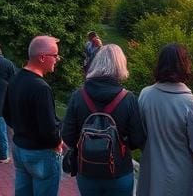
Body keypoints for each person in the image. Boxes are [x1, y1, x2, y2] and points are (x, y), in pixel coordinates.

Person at [62, 44, 145, 196]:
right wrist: (121, 145)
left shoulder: (78, 96)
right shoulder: (128, 99)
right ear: (121, 65)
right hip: (119, 172)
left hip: (86, 171)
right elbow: (138, 139)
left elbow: (67, 135)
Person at [137, 43, 193, 196]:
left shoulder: (145, 95)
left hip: (151, 174)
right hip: (180, 178)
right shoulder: (190, 102)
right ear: (184, 66)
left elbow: (139, 137)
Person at [0, 35, 64, 196]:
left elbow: (6, 112)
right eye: (55, 55)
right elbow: (48, 128)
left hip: (20, 149)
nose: (57, 59)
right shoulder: (41, 88)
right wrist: (57, 142)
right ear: (42, 57)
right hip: (41, 153)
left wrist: (21, 130)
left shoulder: (15, 78)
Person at [0, 45, 15, 164]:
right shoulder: (7, 64)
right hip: (1, 101)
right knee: (1, 129)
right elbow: (13, 82)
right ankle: (3, 155)